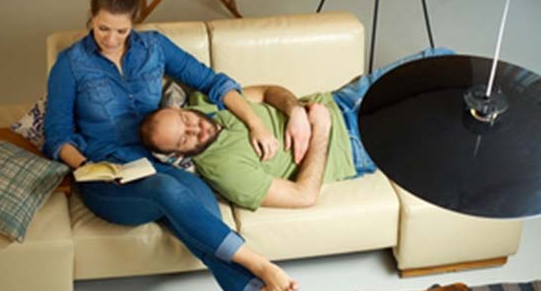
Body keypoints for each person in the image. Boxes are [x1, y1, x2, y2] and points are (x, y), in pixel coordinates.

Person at [42, 0, 316, 291]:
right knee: (166, 189)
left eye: (121, 30)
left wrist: (256, 123)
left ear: (133, 23)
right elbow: (56, 135)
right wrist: (88, 165)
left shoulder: (154, 47)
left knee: (201, 216)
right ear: (91, 16)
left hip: (152, 165)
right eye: (102, 28)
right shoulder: (71, 64)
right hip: (105, 179)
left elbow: (213, 82)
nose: (111, 39)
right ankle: (262, 266)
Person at [140, 47, 454, 211]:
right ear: (178, 155)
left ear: (180, 109)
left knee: (440, 59)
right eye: (184, 139)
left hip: (342, 99)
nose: (195, 128)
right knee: (447, 115)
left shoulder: (207, 103)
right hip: (356, 143)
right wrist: (320, 128)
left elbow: (267, 92)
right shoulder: (225, 171)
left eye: (185, 121)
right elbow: (303, 196)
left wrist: (295, 113)